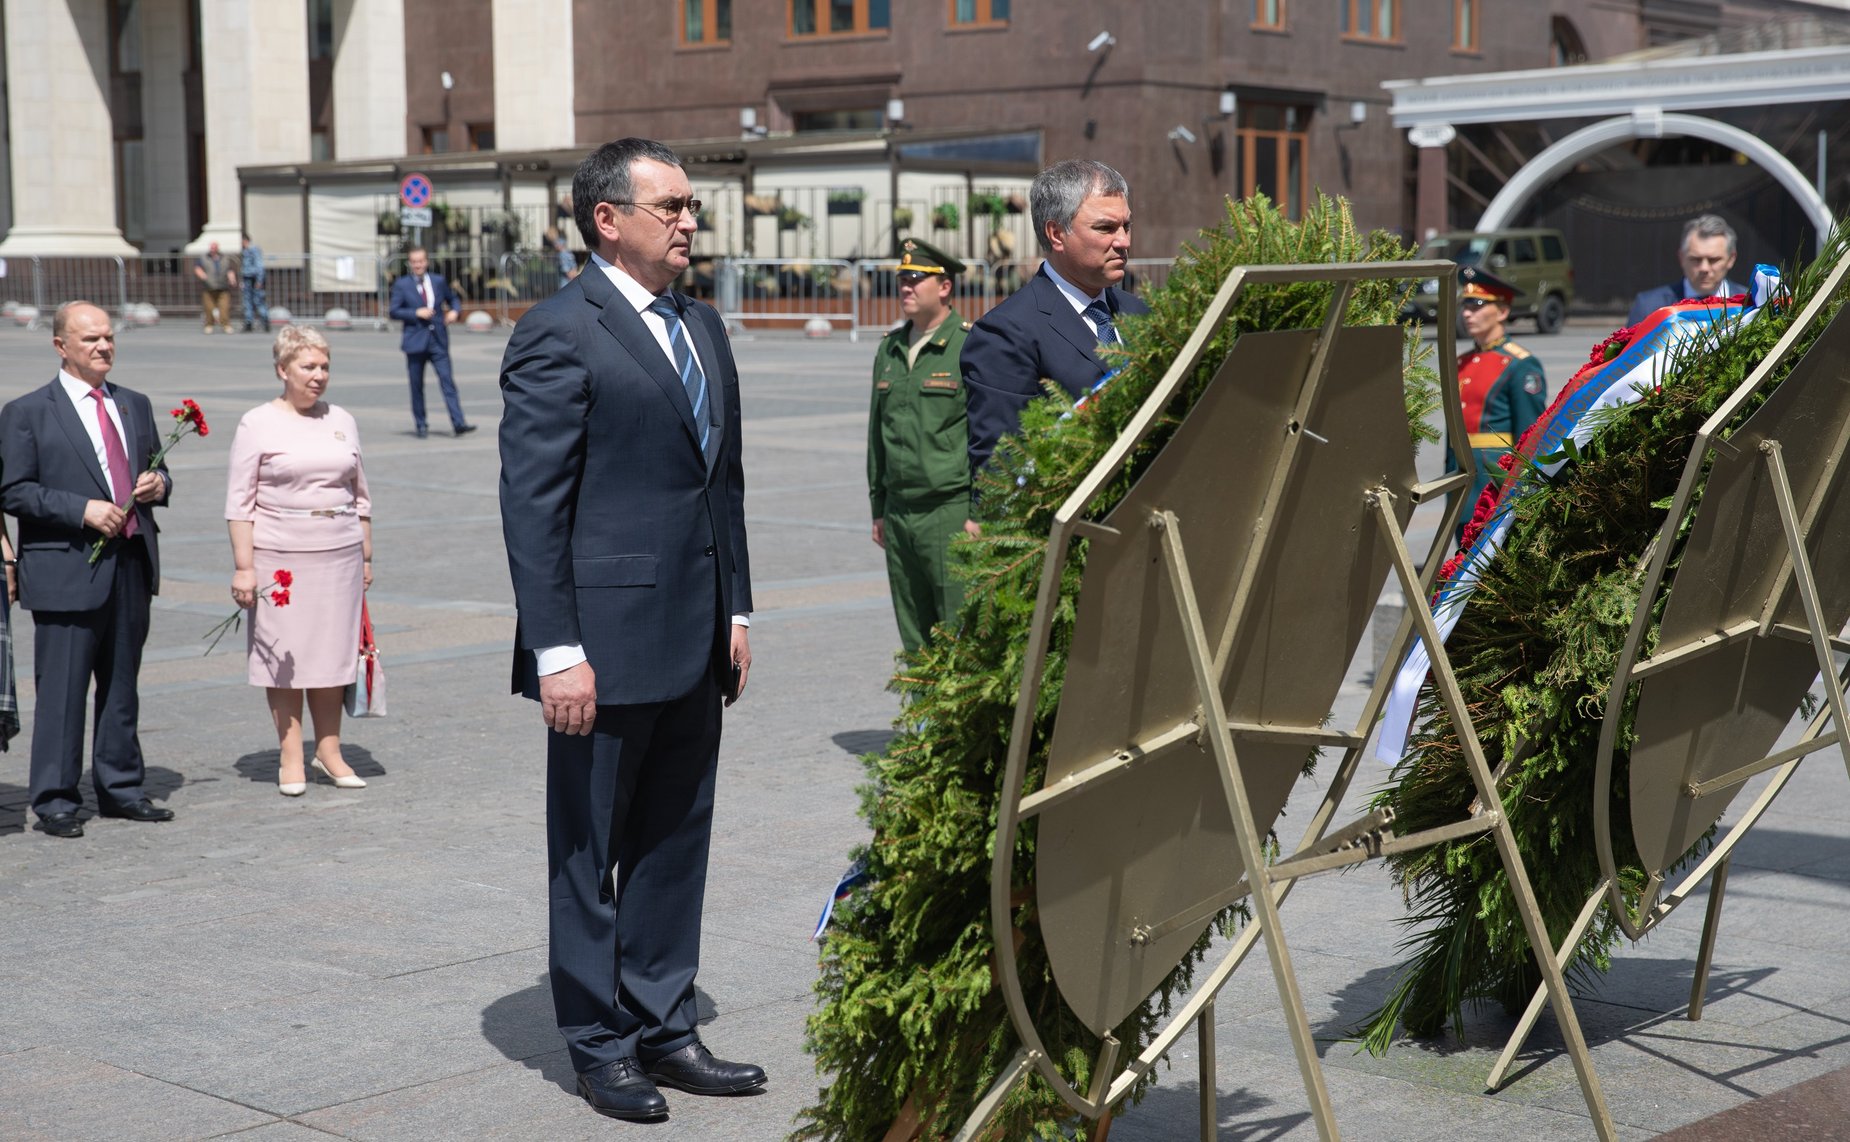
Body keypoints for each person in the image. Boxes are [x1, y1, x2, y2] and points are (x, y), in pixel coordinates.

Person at [498, 137, 762, 1123]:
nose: (690, 220)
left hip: (694, 637)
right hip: (600, 647)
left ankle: (662, 1018)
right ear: (607, 218)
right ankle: (599, 1041)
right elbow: (532, 505)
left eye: (692, 205)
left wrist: (735, 606)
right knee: (589, 845)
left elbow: (719, 483)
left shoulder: (700, 324)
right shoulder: (560, 330)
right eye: (673, 205)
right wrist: (555, 648)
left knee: (672, 837)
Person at [0, 301, 174, 838]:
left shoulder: (135, 405)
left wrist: (159, 484)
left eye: (108, 337)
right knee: (63, 690)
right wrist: (81, 510)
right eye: (90, 339)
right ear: (61, 347)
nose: (103, 346)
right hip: (66, 570)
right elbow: (14, 490)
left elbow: (157, 467)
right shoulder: (28, 412)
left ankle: (121, 787)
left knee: (122, 685)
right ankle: (54, 798)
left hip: (129, 564)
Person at [224, 327, 373, 797]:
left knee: (332, 656)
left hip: (339, 554)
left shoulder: (343, 419)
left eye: (324, 366)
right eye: (308, 367)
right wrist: (244, 567)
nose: (318, 376)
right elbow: (239, 502)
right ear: (282, 370)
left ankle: (329, 751)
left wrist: (366, 553)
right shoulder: (257, 422)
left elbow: (360, 493)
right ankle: (290, 754)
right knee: (285, 658)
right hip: (281, 557)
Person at [961, 159, 1149, 476]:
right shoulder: (1005, 334)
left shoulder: (1140, 313)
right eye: (1106, 228)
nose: (1124, 242)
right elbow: (1002, 473)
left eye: (1126, 226)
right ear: (1056, 233)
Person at [867, 239, 978, 654]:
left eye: (916, 279)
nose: (906, 287)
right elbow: (876, 436)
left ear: (944, 287)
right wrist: (878, 507)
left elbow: (988, 437)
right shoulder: (889, 348)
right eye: (902, 280)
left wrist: (978, 511)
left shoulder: (970, 346)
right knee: (914, 633)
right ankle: (922, 720)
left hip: (948, 512)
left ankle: (963, 721)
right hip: (899, 514)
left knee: (958, 632)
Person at [1451, 266, 1547, 530]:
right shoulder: (1461, 362)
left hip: (1494, 480)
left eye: (1478, 305)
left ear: (1503, 312)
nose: (1468, 313)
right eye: (1465, 306)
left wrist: (1523, 489)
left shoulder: (1520, 364)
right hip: (1461, 477)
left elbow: (1530, 435)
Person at [389, 247, 476, 438]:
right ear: (410, 264)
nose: (418, 265)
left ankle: (458, 423)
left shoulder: (438, 281)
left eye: (421, 261)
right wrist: (415, 313)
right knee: (416, 385)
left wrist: (454, 311)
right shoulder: (402, 285)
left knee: (447, 382)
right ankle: (421, 424)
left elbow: (453, 299)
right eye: (414, 262)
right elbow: (394, 310)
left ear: (427, 262)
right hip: (415, 340)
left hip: (438, 339)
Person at [1626, 214, 1748, 326]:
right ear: (1681, 258)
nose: (1704, 268)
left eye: (1713, 260)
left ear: (1731, 259)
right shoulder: (1648, 305)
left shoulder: (1751, 303)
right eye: (1695, 259)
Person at [194, 241, 235, 334]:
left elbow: (229, 270)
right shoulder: (204, 258)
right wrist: (202, 275)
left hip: (223, 286)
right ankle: (209, 325)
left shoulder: (225, 258)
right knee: (209, 308)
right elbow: (197, 268)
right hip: (209, 286)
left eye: (214, 247)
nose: (212, 249)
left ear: (217, 248)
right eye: (211, 247)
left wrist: (232, 279)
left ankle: (226, 325)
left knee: (224, 308)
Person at [239, 232, 271, 334]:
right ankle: (249, 322)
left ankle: (265, 321)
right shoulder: (245, 251)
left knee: (258, 300)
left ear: (245, 241)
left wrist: (259, 280)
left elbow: (259, 266)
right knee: (247, 301)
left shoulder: (254, 250)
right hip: (247, 278)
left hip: (254, 278)